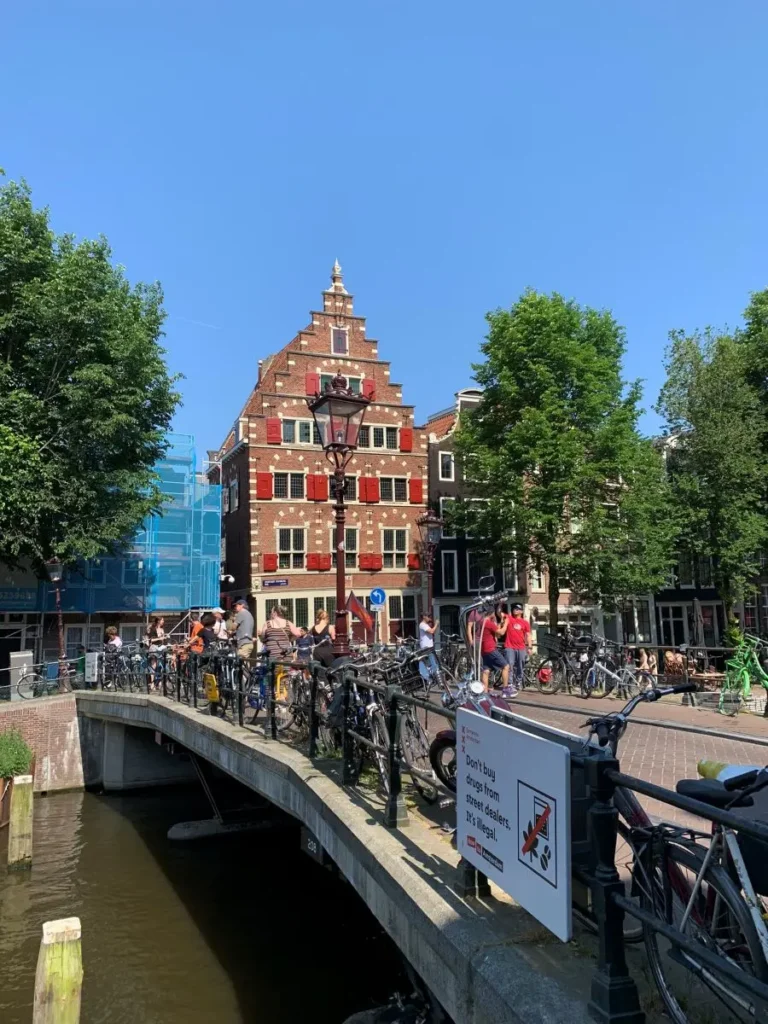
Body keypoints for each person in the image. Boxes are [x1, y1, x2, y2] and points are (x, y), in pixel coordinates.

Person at [503, 603, 530, 696]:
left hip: (521, 647)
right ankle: (510, 683)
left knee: (521, 664)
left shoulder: (525, 622)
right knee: (509, 665)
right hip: (510, 646)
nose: (515, 610)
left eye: (518, 609)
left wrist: (529, 646)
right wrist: (500, 604)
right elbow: (499, 614)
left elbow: (528, 635)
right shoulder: (509, 619)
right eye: (514, 608)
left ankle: (518, 682)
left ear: (521, 611)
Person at [479, 612, 509, 692]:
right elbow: (501, 633)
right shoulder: (488, 623)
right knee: (505, 666)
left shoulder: (482, 622)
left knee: (486, 671)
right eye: (494, 613)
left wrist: (500, 623)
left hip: (484, 650)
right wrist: (506, 624)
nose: (495, 615)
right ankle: (506, 690)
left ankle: (484, 692)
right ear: (491, 613)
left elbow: (496, 633)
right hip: (491, 649)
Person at [418, 613, 439, 683]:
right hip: (426, 648)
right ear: (424, 617)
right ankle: (429, 679)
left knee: (432, 663)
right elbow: (432, 631)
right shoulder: (422, 625)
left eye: (430, 616)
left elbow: (432, 631)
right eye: (428, 616)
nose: (430, 618)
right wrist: (436, 624)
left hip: (429, 647)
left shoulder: (426, 625)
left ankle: (432, 678)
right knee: (431, 663)